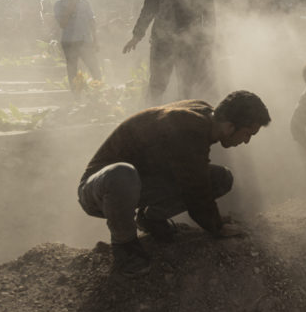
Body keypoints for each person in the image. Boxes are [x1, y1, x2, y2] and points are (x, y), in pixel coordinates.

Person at [78, 91, 271, 276]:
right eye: (248, 134)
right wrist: (216, 227)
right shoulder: (189, 127)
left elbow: (195, 177)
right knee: (122, 174)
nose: (246, 141)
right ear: (230, 127)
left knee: (220, 178)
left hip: (139, 182)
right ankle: (125, 247)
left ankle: (151, 218)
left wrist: (214, 221)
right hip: (100, 189)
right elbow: (196, 189)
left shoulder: (205, 116)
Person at [123, 0, 216, 105]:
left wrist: (209, 39)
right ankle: (150, 117)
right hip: (162, 40)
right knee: (157, 84)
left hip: (190, 41)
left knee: (187, 85)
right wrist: (137, 36)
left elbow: (209, 14)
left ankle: (185, 119)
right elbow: (148, 9)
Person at [53, 0, 102, 92]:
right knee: (72, 71)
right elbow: (62, 24)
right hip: (69, 42)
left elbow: (91, 21)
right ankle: (76, 96)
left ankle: (99, 92)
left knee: (94, 68)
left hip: (85, 41)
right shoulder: (59, 4)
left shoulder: (84, 3)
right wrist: (71, 7)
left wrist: (96, 39)